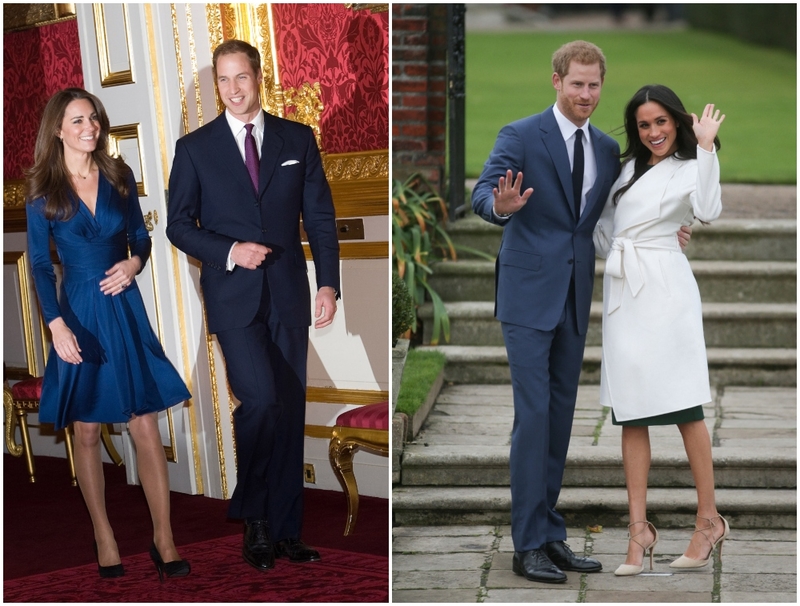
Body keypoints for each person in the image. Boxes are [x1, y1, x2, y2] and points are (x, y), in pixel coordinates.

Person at [472, 41, 691, 585]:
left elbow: (607, 225)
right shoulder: (520, 135)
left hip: (574, 296)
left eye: (594, 85)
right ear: (556, 81)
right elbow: (481, 195)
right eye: (577, 84)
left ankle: (550, 533)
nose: (586, 95)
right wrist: (500, 207)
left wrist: (665, 233)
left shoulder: (605, 149)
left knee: (561, 419)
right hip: (525, 298)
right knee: (534, 417)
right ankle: (527, 544)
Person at [166, 39, 340, 572]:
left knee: (288, 412)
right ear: (215, 86)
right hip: (233, 300)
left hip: (288, 294)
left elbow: (321, 218)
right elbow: (178, 226)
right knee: (261, 401)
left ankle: (287, 531)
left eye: (241, 77)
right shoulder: (195, 148)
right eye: (223, 80)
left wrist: (328, 285)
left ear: (258, 78)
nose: (234, 89)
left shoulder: (297, 138)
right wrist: (230, 251)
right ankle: (255, 515)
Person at [25, 88, 191, 581]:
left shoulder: (119, 175)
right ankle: (104, 534)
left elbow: (140, 235)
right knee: (87, 430)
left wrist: (134, 262)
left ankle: (164, 537)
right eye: (77, 121)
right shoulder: (42, 189)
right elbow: (37, 264)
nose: (89, 127)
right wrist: (55, 325)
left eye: (93, 118)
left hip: (123, 310)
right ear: (58, 128)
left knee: (144, 424)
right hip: (75, 314)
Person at [592, 84, 729, 576]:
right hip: (626, 292)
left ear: (678, 123)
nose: (653, 132)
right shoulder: (625, 171)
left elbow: (709, 210)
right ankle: (637, 532)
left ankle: (708, 520)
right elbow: (605, 233)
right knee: (631, 412)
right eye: (644, 124)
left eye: (662, 122)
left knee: (685, 408)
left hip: (667, 293)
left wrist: (708, 147)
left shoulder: (693, 166)